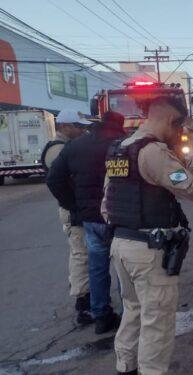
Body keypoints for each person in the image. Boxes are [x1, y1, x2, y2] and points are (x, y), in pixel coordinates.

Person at [102, 97, 193, 375]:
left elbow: (107, 204)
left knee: (133, 310)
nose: (180, 136)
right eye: (180, 130)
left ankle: (125, 367)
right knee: (157, 322)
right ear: (170, 121)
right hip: (148, 252)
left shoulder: (120, 149)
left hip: (121, 245)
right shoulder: (153, 153)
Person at [47, 111, 126, 334]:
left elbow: (54, 179)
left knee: (97, 267)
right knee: (122, 267)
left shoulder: (74, 147)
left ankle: (101, 316)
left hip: (90, 219)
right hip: (118, 216)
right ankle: (129, 315)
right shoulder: (122, 144)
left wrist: (73, 205)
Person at [42, 109, 91, 326]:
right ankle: (83, 304)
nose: (82, 130)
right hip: (73, 211)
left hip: (78, 209)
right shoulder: (57, 150)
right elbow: (57, 183)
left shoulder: (67, 147)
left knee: (86, 253)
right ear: (64, 127)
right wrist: (73, 206)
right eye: (78, 126)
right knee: (81, 255)